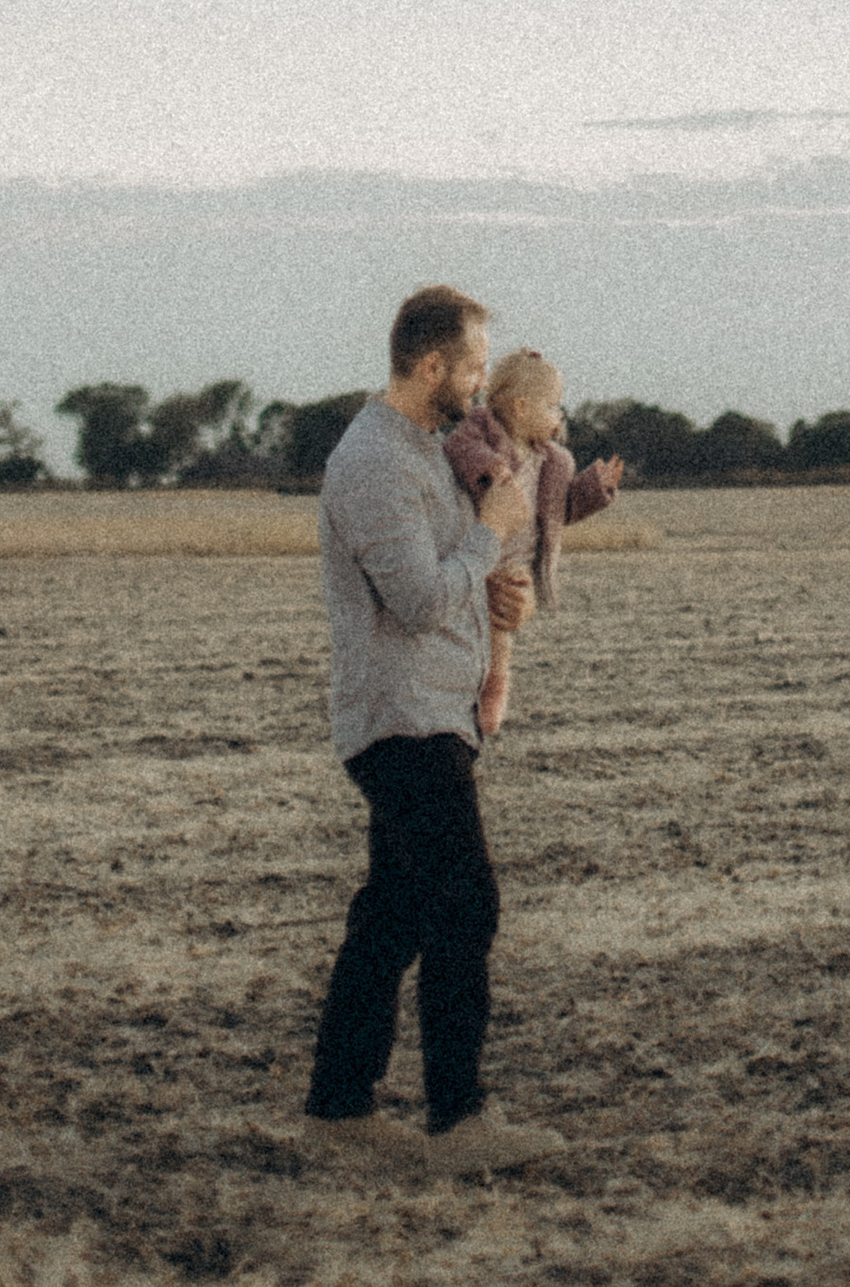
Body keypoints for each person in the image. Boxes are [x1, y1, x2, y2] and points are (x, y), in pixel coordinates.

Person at [301, 283, 563, 1166]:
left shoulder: (423, 450)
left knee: (397, 911)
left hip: (435, 714)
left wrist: (504, 601)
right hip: (399, 720)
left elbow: (454, 579)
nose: (485, 383)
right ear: (429, 366)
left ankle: (338, 1111)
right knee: (465, 901)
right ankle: (460, 1121)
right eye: (475, 366)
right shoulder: (375, 463)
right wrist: (489, 534)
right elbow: (415, 601)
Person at [441, 349, 625, 739]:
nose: (559, 416)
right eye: (552, 407)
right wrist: (492, 468)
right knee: (469, 629)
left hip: (517, 560)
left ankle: (493, 691)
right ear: (522, 407)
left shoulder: (551, 461)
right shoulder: (482, 428)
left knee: (501, 630)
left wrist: (595, 489)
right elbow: (458, 447)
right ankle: (464, 691)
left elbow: (560, 512)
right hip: (477, 544)